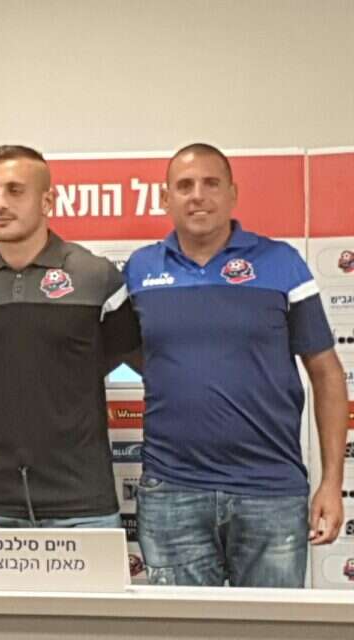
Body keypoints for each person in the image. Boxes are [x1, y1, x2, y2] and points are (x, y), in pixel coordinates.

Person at [124, 142, 348, 587]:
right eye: (184, 185)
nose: (198, 195)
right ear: (165, 198)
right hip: (172, 492)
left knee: (271, 625)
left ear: (233, 194)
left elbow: (326, 374)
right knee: (181, 626)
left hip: (270, 493)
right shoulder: (139, 270)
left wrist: (331, 483)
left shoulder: (281, 262)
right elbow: (129, 352)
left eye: (211, 183)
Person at [0, 145, 139, 529]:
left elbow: (124, 352)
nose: (0, 203)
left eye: (15, 191)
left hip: (84, 502)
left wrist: (62, 397)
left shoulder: (95, 275)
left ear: (47, 201)